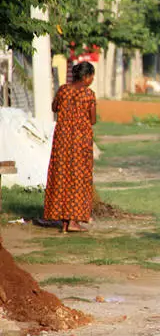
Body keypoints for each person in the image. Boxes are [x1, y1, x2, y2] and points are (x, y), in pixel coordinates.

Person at [44, 62, 97, 233]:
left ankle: (64, 221)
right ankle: (73, 220)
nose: (92, 79)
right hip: (80, 141)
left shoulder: (63, 90)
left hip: (62, 140)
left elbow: (54, 107)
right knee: (78, 177)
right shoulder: (89, 94)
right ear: (86, 77)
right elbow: (93, 119)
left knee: (62, 176)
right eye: (92, 76)